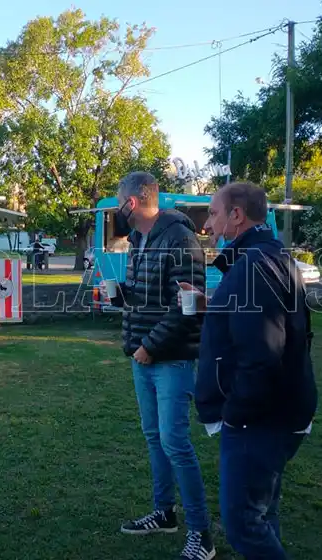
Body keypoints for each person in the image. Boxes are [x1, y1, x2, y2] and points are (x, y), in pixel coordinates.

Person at [185, 182, 317, 559]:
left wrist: (236, 415)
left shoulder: (253, 265)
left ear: (237, 215)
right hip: (279, 411)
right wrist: (212, 307)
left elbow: (262, 352)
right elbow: (257, 323)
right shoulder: (268, 256)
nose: (208, 224)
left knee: (244, 523)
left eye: (213, 213)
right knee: (261, 513)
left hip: (259, 420)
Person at [114, 172, 215, 560]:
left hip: (170, 358)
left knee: (175, 443)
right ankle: (164, 513)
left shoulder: (180, 238)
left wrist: (151, 346)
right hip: (142, 355)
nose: (118, 211)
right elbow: (147, 297)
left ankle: (201, 534)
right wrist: (122, 296)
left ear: (132, 203)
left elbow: (187, 306)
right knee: (155, 437)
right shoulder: (138, 240)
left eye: (119, 203)